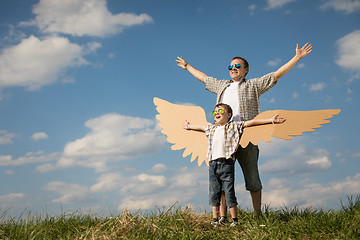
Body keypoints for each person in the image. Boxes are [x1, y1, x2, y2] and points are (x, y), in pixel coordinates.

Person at [176, 43, 312, 219]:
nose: (233, 69)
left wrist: (297, 58)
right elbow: (204, 78)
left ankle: (257, 215)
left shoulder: (253, 86)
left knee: (252, 176)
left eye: (237, 66)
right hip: (224, 138)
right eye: (230, 67)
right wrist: (187, 67)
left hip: (246, 135)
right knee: (221, 179)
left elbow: (276, 74)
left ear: (246, 70)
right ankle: (224, 218)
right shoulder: (222, 86)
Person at [183, 103, 285, 227]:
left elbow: (252, 122)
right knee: (214, 192)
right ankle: (216, 220)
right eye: (215, 112)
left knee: (229, 191)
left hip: (227, 163)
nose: (217, 113)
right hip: (213, 164)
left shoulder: (234, 126)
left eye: (220, 111)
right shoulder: (211, 128)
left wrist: (271, 120)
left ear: (229, 115)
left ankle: (235, 220)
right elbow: (200, 127)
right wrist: (188, 127)